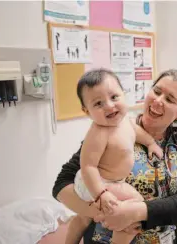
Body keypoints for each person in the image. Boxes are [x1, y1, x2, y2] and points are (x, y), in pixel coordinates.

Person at [52, 69, 177, 244]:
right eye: (157, 91)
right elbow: (61, 185)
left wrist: (135, 213)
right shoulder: (112, 127)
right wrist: (105, 214)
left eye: (169, 99)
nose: (158, 100)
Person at [66, 69, 163, 244]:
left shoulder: (126, 122)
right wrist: (100, 194)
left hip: (109, 183)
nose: (109, 106)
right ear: (86, 111)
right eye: (98, 103)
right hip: (97, 183)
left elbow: (137, 132)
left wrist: (150, 143)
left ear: (124, 95)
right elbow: (88, 166)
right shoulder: (99, 133)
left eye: (114, 97)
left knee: (82, 218)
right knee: (135, 205)